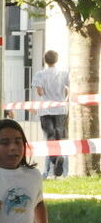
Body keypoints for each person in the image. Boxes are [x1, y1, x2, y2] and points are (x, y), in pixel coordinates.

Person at [31, 50, 70, 178]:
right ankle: (62, 168)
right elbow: (69, 88)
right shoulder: (64, 73)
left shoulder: (39, 74)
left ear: (45, 61)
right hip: (60, 109)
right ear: (56, 60)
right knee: (60, 137)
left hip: (46, 110)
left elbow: (40, 92)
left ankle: (54, 160)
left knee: (50, 138)